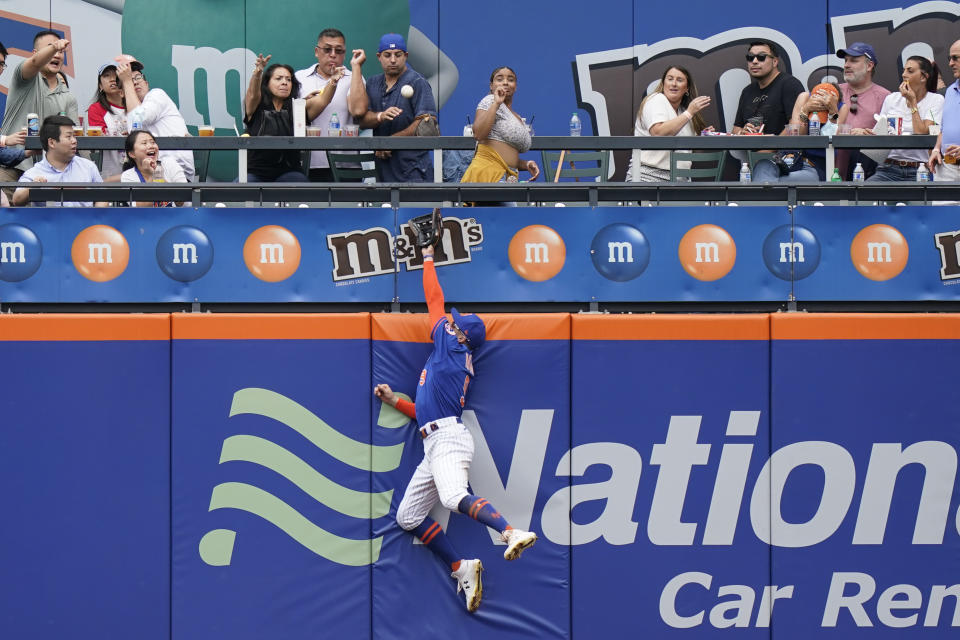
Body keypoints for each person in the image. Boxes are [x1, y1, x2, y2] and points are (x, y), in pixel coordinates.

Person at [373, 233, 537, 613]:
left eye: (456, 323)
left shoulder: (451, 347)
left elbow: (434, 302)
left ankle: (510, 530)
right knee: (408, 516)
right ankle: (462, 567)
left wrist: (428, 257)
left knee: (450, 497)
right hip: (436, 438)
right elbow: (423, 413)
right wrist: (393, 399)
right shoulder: (448, 359)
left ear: (461, 335)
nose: (450, 322)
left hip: (447, 439)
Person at [351, 33, 438, 182]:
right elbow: (362, 120)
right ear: (379, 56)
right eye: (387, 55)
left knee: (416, 206)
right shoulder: (373, 83)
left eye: (398, 55)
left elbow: (427, 123)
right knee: (385, 205)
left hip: (413, 168)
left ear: (406, 56)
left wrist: (391, 141)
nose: (393, 60)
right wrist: (380, 116)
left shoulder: (417, 81)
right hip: (383, 167)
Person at [0, 31, 78, 189]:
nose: (56, 54)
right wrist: (56, 46)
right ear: (35, 53)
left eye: (61, 52)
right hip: (9, 168)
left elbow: (73, 137)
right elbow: (35, 63)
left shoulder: (68, 96)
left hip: (47, 175)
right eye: (50, 49)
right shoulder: (24, 77)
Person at [296, 28, 366, 181]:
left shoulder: (354, 78)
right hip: (308, 164)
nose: (333, 54)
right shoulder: (299, 78)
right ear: (316, 51)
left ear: (345, 54)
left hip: (347, 165)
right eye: (327, 49)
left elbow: (359, 111)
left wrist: (356, 68)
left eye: (339, 51)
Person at [625, 65, 711, 181]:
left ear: (687, 88)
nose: (674, 84)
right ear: (663, 83)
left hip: (680, 180)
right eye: (670, 79)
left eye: (679, 80)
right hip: (648, 176)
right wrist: (690, 112)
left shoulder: (684, 112)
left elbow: (689, 152)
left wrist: (704, 136)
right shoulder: (656, 99)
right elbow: (658, 132)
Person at [460, 66, 539, 189]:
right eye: (500, 79)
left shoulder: (517, 117)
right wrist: (496, 103)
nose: (505, 82)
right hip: (488, 174)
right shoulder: (490, 101)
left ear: (516, 87)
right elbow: (478, 134)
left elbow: (505, 155)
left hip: (507, 178)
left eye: (511, 79)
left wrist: (525, 164)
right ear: (491, 86)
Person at [116, 58, 195, 181]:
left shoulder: (157, 94)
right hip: (148, 172)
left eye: (138, 77)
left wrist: (126, 82)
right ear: (121, 93)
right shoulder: (130, 113)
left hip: (175, 172)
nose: (135, 82)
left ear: (146, 84)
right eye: (130, 80)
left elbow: (140, 117)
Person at [866, 56, 943, 181]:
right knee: (862, 195)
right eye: (904, 70)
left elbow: (921, 131)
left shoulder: (936, 100)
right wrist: (866, 132)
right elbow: (880, 134)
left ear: (923, 77)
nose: (904, 74)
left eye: (910, 71)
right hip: (888, 168)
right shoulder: (892, 98)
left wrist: (912, 101)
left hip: (919, 170)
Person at [752, 83, 847, 182]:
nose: (820, 107)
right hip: (787, 161)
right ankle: (767, 190)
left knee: (774, 182)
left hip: (813, 167)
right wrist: (805, 110)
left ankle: (766, 191)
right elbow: (796, 136)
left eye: (824, 107)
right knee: (762, 165)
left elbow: (830, 139)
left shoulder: (841, 108)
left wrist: (832, 112)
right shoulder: (805, 97)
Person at [243, 54, 315, 182]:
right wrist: (258, 72)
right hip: (257, 172)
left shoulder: (297, 107)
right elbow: (253, 94)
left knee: (300, 184)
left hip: (288, 171)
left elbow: (323, 100)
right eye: (279, 78)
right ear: (267, 83)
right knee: (241, 187)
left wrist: (333, 83)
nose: (284, 82)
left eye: (288, 79)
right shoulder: (255, 106)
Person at [12, 115, 104, 207]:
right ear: (51, 142)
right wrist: (33, 187)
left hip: (85, 220)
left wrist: (96, 216)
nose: (74, 141)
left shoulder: (88, 166)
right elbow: (17, 200)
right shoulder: (35, 173)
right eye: (69, 137)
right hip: (50, 220)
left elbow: (103, 197)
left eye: (74, 136)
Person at [835, 42, 889, 179]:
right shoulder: (833, 91)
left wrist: (867, 133)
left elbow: (891, 134)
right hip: (832, 165)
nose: (846, 65)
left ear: (869, 65)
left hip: (868, 168)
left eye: (853, 60)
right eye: (846, 60)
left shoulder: (886, 97)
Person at [732, 41, 804, 137]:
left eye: (761, 57)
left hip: (781, 151)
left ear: (775, 62)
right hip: (751, 151)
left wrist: (770, 149)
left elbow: (797, 127)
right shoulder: (747, 91)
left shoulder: (789, 85)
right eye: (750, 57)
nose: (754, 61)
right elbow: (736, 129)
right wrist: (743, 132)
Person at [120, 130, 187, 207]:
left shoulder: (169, 163)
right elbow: (140, 209)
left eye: (153, 142)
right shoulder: (128, 176)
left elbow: (181, 201)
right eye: (144, 143)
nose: (151, 146)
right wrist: (150, 176)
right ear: (132, 154)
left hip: (176, 216)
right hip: (146, 218)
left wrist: (158, 176)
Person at [87, 63, 129, 179]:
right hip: (110, 174)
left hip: (136, 171)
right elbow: (101, 138)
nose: (112, 79)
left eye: (116, 75)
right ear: (100, 85)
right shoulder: (96, 109)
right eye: (106, 76)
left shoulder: (134, 105)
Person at [930, 39, 960, 184]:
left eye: (955, 58)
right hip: (947, 166)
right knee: (942, 208)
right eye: (950, 58)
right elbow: (943, 129)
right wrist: (936, 149)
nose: (950, 64)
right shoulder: (949, 91)